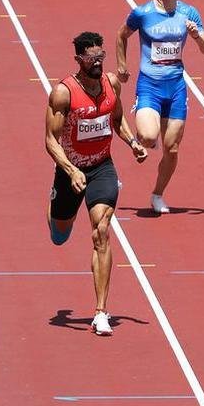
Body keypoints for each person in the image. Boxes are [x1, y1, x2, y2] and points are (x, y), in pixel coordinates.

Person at [46, 32, 148, 337]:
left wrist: (132, 142)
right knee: (59, 235)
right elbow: (50, 139)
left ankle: (101, 312)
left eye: (101, 57)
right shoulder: (63, 93)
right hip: (70, 172)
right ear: (79, 59)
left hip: (102, 167)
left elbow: (116, 120)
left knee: (101, 230)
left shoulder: (111, 84)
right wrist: (69, 169)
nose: (97, 62)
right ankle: (56, 212)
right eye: (91, 58)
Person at [115, 0, 204, 214]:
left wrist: (197, 36)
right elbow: (121, 35)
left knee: (172, 148)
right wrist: (123, 65)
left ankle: (157, 194)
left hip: (176, 88)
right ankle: (149, 132)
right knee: (148, 137)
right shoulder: (142, 13)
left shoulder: (189, 13)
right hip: (149, 85)